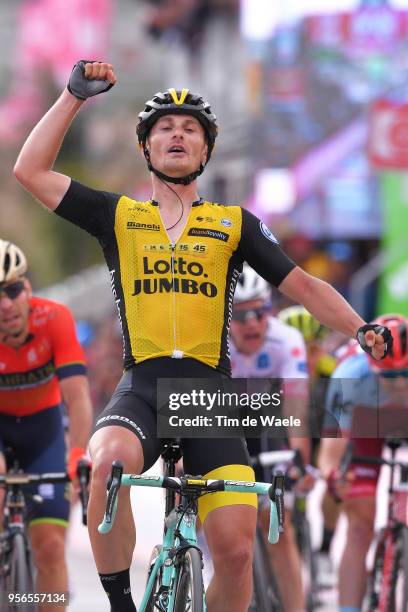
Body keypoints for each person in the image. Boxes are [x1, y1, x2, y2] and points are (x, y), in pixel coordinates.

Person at [13, 60, 391, 612]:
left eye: (191, 129)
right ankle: (121, 603)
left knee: (237, 552)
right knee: (107, 465)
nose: (178, 134)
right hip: (141, 386)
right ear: (146, 148)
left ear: (205, 152)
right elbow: (30, 171)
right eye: (164, 127)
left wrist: (361, 328)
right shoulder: (118, 216)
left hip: (205, 397)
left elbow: (304, 285)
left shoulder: (232, 223)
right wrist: (73, 96)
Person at [0, 239, 93, 612]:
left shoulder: (54, 318)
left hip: (45, 431)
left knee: (51, 547)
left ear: (28, 289)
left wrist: (76, 453)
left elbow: (79, 396)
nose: (6, 304)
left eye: (12, 290)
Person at [230, 264, 312, 612]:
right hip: (222, 420)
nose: (253, 323)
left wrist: (299, 459)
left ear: (270, 310)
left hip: (269, 424)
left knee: (278, 528)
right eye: (242, 315)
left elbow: (296, 407)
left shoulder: (287, 340)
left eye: (260, 312)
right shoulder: (214, 345)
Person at [318, 314, 408, 612]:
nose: (398, 384)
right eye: (389, 376)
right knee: (359, 524)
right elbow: (331, 449)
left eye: (405, 374)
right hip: (366, 418)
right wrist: (334, 477)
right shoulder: (351, 372)